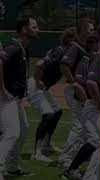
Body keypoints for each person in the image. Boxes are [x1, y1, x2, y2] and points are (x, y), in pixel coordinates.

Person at [28, 27, 76, 162]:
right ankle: (36, 153)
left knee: (58, 112)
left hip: (43, 88)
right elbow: (39, 64)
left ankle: (47, 145)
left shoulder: (66, 52)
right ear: (71, 40)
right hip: (35, 86)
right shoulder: (60, 51)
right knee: (48, 114)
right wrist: (38, 81)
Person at [0, 15, 39, 178]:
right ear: (24, 29)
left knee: (23, 130)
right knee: (12, 133)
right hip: (5, 98)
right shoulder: (14, 47)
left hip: (15, 98)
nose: (38, 30)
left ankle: (12, 167)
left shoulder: (23, 48)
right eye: (34, 27)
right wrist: (2, 90)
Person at [58, 19, 94, 169]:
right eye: (90, 30)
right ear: (82, 31)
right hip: (74, 91)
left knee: (86, 125)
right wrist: (74, 83)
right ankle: (66, 157)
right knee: (79, 125)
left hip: (80, 91)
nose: (92, 32)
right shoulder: (75, 47)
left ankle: (81, 154)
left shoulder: (86, 48)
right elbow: (64, 66)